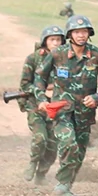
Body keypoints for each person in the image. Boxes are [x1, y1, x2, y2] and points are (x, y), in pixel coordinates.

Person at [33, 15, 98, 196]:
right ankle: (62, 185)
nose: (81, 35)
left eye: (84, 32)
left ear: (89, 34)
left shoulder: (97, 55)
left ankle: (66, 185)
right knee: (68, 143)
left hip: (85, 113)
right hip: (61, 110)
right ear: (70, 34)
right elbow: (39, 78)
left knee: (78, 151)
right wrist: (41, 99)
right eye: (77, 32)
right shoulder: (57, 54)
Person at [19, 26, 65, 184]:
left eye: (59, 40)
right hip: (36, 106)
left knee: (53, 146)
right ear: (45, 41)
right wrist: (41, 90)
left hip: (58, 108)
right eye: (52, 39)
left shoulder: (67, 59)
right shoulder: (33, 59)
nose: (56, 43)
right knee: (40, 139)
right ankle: (33, 163)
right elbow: (25, 85)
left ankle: (41, 174)